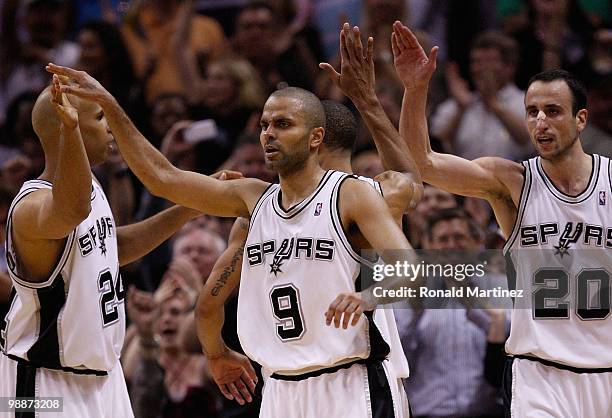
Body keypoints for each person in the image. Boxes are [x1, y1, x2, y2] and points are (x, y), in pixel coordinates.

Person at [46, 35, 418, 414]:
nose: (269, 133)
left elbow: (411, 268)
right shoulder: (251, 201)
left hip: (351, 382)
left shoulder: (352, 194)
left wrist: (367, 296)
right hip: (279, 389)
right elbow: (163, 178)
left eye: (283, 124)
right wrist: (110, 104)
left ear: (315, 137)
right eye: (264, 125)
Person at [391, 21, 612, 416]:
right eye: (532, 112)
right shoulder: (511, 181)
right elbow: (423, 162)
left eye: (553, 111)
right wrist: (415, 89)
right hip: (538, 371)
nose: (540, 121)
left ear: (581, 119)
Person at [0, 76, 199, 417]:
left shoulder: (92, 184)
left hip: (105, 378)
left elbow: (111, 247)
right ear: (67, 124)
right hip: (43, 388)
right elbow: (72, 211)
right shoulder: (31, 208)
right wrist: (71, 131)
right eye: (99, 118)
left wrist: (189, 210)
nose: (109, 128)